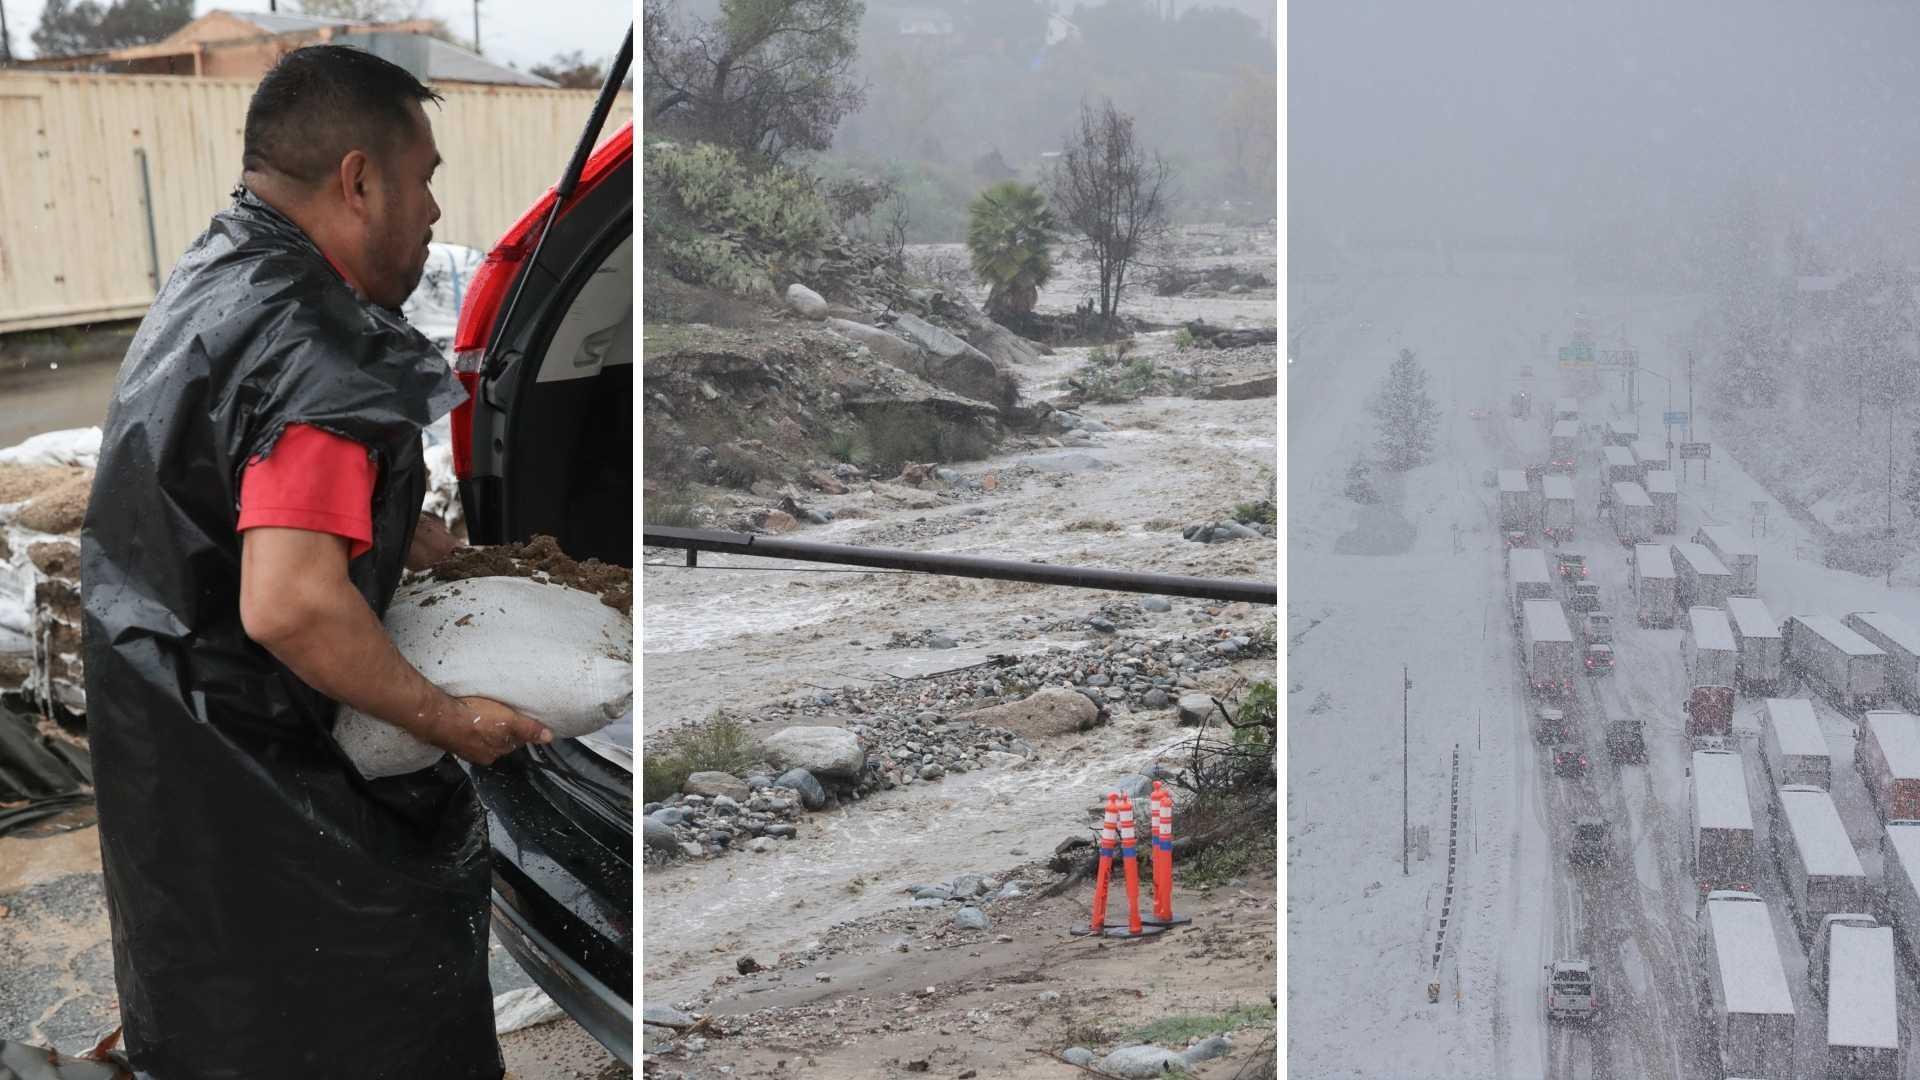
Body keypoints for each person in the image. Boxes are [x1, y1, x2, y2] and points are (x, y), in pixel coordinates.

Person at [80, 46, 550, 1080]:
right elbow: (291, 604)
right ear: (359, 181)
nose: (434, 210)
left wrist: (386, 528)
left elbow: (223, 480)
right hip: (278, 809)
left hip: (176, 771)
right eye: (424, 177)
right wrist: (451, 720)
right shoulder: (319, 346)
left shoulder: (226, 270)